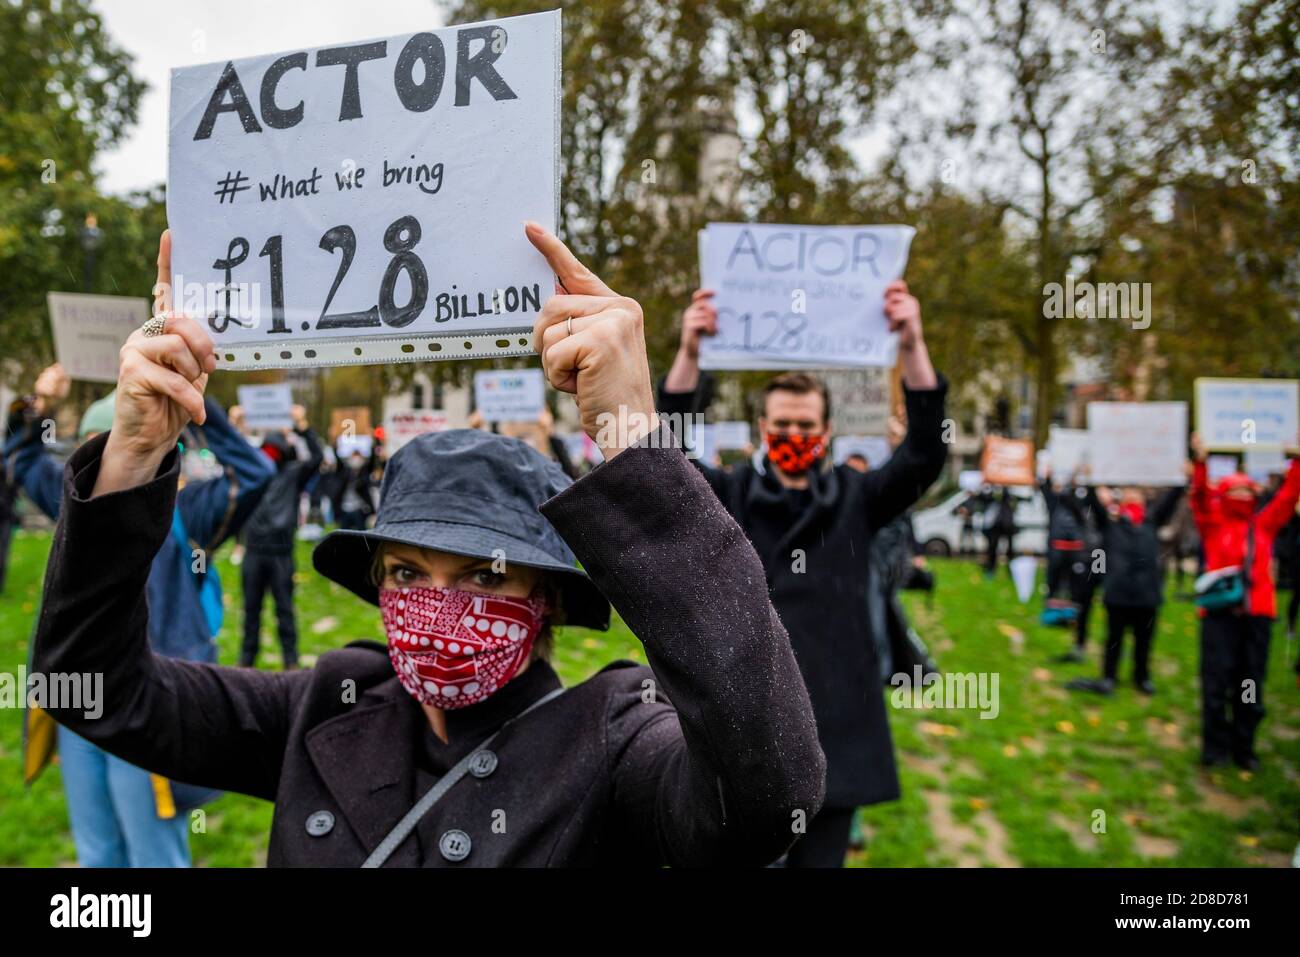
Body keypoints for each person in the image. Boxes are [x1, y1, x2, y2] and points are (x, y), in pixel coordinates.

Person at [32, 223, 825, 867]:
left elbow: (767, 798)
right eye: (409, 570)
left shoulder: (611, 739)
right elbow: (89, 687)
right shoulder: (324, 708)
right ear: (376, 580)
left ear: (543, 595)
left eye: (484, 574)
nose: (441, 604)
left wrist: (633, 439)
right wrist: (131, 458)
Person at [657, 282, 948, 867]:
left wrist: (912, 344)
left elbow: (923, 455)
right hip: (746, 729)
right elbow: (669, 457)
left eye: (806, 427)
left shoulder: (857, 498)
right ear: (763, 427)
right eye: (783, 426)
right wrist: (690, 352)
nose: (794, 437)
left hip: (834, 728)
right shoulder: (728, 493)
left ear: (827, 432)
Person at [12, 326, 274, 866]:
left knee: (154, 854)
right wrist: (38, 406)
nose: (114, 468)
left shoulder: (189, 510)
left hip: (149, 698)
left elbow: (255, 472)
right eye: (99, 453)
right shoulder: (74, 502)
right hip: (75, 697)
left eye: (128, 448)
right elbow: (16, 458)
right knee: (97, 854)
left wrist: (196, 393)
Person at [1188, 433, 1300, 770]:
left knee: (1250, 684)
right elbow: (1198, 497)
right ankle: (1214, 746)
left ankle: (1243, 745)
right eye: (1233, 490)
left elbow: (1288, 496)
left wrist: (1297, 462)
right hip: (1219, 618)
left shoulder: (1263, 526)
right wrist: (1200, 461)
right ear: (1224, 494)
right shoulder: (1213, 524)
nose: (1240, 495)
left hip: (1256, 618)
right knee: (1216, 682)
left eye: (1245, 490)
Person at [1066, 483, 1184, 696]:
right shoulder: (1111, 524)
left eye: (1136, 491)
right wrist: (1091, 478)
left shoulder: (1152, 520)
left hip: (1147, 594)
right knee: (1114, 640)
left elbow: (1173, 498)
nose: (1132, 495)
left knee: (1144, 641)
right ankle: (1109, 676)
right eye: (1128, 491)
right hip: (1118, 594)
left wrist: (1183, 476)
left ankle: (1142, 677)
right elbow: (1092, 501)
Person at [239, 405, 324, 669]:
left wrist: (302, 426)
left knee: (284, 611)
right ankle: (246, 661)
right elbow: (232, 454)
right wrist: (238, 426)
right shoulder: (252, 472)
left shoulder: (293, 473)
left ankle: (291, 662)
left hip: (280, 553)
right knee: (251, 612)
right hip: (255, 551)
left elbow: (318, 456)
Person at [983, 487, 1018, 577]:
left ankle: (1011, 570)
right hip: (995, 524)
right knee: (992, 547)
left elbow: (1013, 502)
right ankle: (991, 569)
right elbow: (985, 498)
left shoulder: (1010, 492)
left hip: (1007, 523)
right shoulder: (992, 490)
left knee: (1010, 550)